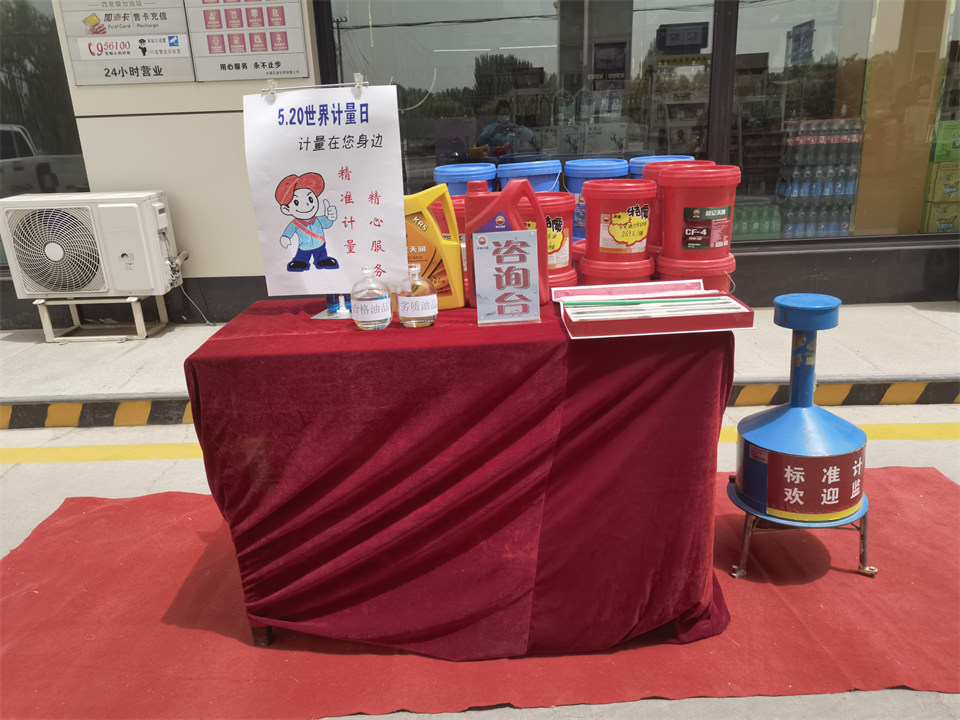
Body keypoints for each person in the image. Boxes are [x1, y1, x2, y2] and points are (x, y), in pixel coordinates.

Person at [275, 173, 339, 272]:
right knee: (302, 257)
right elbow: (289, 232)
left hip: (319, 244)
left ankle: (321, 260)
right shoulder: (295, 223)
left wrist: (330, 218)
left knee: (321, 254)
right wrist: (286, 237)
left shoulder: (318, 219)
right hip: (304, 247)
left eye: (310, 199)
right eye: (296, 202)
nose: (307, 204)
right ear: (286, 209)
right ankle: (301, 261)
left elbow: (327, 224)